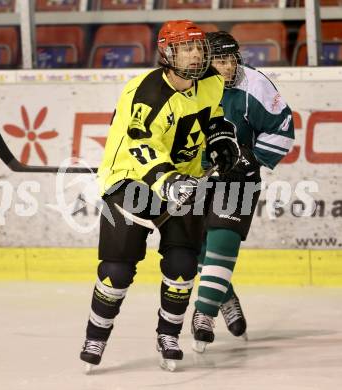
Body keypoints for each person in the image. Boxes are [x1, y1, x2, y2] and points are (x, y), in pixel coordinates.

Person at [79, 20, 240, 372]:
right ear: (168, 53)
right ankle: (96, 335)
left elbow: (211, 117)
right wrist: (166, 179)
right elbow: (141, 145)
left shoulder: (210, 82)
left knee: (183, 265)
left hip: (185, 179)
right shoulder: (147, 93)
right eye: (186, 48)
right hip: (132, 180)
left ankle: (168, 334)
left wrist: (222, 140)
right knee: (116, 269)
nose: (195, 54)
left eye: (198, 47)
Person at [191, 31, 295, 352]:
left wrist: (252, 157)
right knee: (194, 246)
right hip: (198, 175)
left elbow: (283, 126)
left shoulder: (255, 85)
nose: (227, 66)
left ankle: (203, 314)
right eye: (219, 60)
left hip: (239, 177)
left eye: (231, 58)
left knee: (223, 239)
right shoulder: (192, 87)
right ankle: (226, 295)